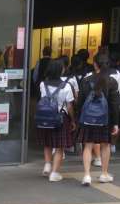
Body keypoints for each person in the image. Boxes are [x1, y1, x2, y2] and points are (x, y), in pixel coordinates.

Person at [76, 52, 119, 186]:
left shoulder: (86, 80)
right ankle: (104, 174)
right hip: (105, 120)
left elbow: (80, 102)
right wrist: (116, 123)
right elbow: (114, 104)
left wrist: (78, 119)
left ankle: (87, 175)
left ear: (95, 64)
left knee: (88, 145)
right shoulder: (112, 81)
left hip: (88, 118)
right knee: (105, 145)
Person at [36, 59, 76, 182]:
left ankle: (47, 164)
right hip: (60, 118)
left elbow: (43, 99)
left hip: (45, 117)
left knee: (47, 143)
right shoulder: (66, 86)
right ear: (61, 71)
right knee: (59, 147)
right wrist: (73, 120)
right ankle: (54, 173)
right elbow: (69, 105)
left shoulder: (43, 84)